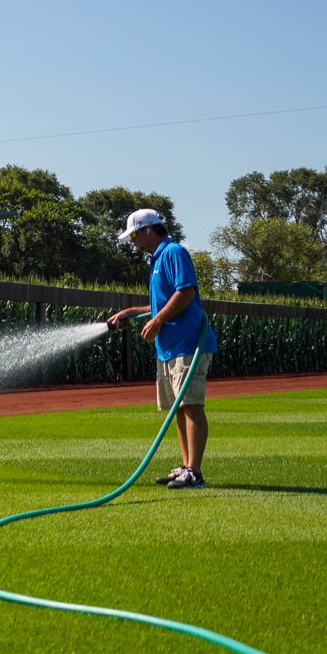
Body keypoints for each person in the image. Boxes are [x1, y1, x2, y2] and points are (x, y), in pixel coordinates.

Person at [106, 208, 218, 489]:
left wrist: (157, 320)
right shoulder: (157, 260)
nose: (132, 242)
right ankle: (185, 466)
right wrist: (134, 312)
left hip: (188, 343)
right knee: (177, 409)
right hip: (168, 347)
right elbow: (162, 303)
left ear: (147, 231)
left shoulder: (173, 253)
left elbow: (186, 292)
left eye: (133, 235)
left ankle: (195, 471)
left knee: (191, 405)